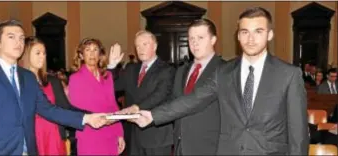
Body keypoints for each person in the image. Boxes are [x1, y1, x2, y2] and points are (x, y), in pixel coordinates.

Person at [130, 7, 309, 155]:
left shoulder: (289, 75)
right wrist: (153, 116)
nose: (251, 39)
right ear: (238, 36)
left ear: (269, 35)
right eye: (245, 32)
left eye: (258, 31)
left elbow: (298, 135)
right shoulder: (224, 72)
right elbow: (193, 100)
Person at [0, 20, 108, 155]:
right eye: (11, 37)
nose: (18, 42)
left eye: (21, 38)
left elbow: (48, 109)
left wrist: (86, 118)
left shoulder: (27, 77)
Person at [108, 30, 175, 156]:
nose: (140, 49)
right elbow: (110, 87)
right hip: (134, 136)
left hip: (156, 135)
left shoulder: (166, 70)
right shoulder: (131, 69)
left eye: (145, 44)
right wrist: (112, 66)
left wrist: (136, 107)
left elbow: (160, 95)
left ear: (154, 46)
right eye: (137, 46)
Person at [168, 19, 225, 155]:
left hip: (209, 148)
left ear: (213, 40)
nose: (194, 43)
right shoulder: (181, 71)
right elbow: (174, 103)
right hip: (180, 146)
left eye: (200, 37)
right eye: (191, 38)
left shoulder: (224, 70)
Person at [68, 38, 124, 155]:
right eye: (87, 50)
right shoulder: (75, 78)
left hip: (110, 134)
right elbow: (76, 111)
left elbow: (113, 106)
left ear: (100, 54)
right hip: (89, 135)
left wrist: (119, 134)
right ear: (81, 55)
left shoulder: (107, 76)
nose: (92, 53)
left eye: (95, 50)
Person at [19, 36, 72, 155]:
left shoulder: (53, 81)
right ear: (26, 55)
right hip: (31, 137)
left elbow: (66, 108)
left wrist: (90, 115)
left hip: (53, 135)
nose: (42, 56)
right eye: (38, 53)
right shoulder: (18, 82)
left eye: (44, 53)